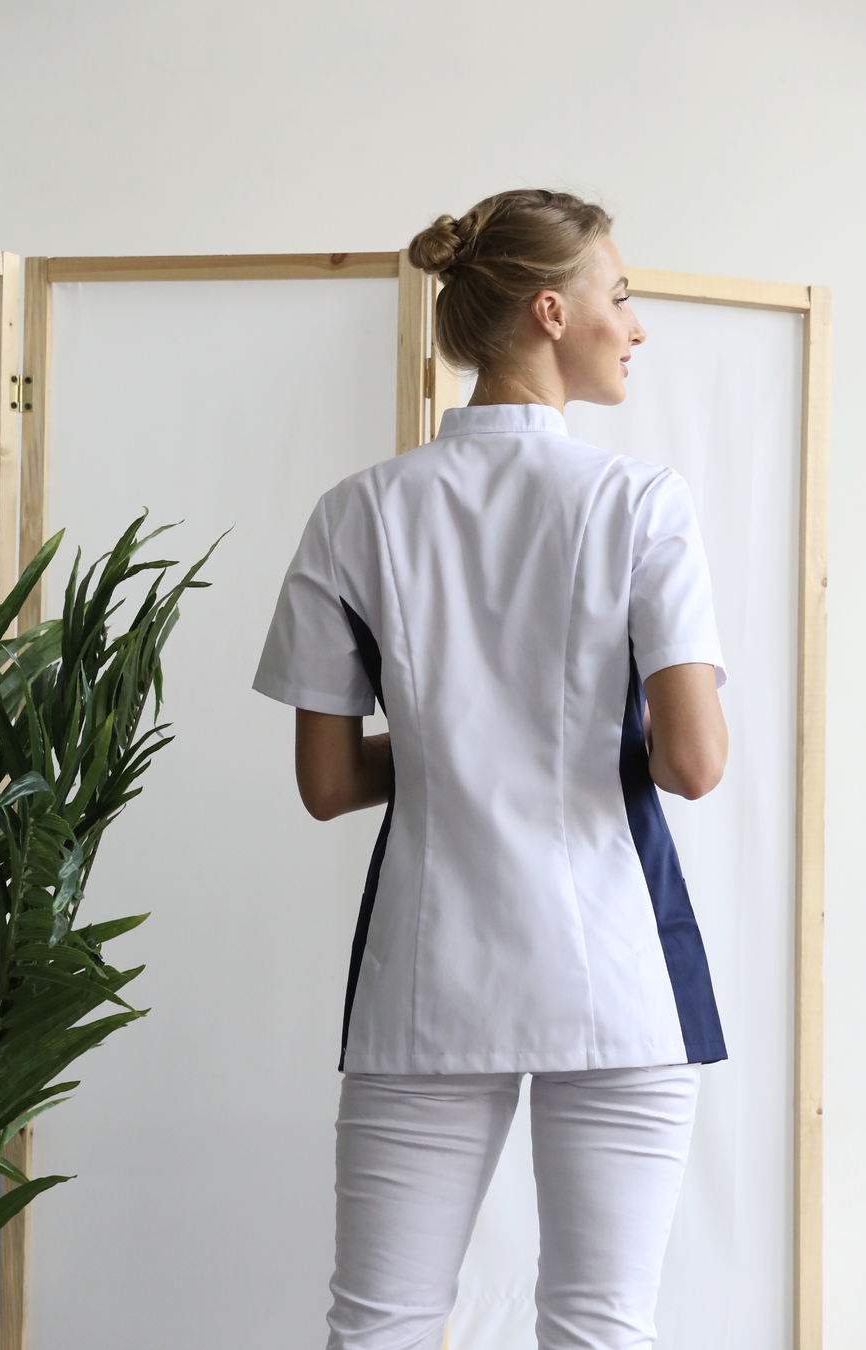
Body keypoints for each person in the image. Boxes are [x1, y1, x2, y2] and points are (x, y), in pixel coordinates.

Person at [253, 188, 729, 1350]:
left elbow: (327, 784)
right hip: (617, 975)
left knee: (381, 1325)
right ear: (550, 311)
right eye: (622, 295)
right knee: (601, 1327)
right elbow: (694, 761)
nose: (637, 325)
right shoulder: (642, 503)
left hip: (426, 979)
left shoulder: (354, 514)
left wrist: (453, 742)